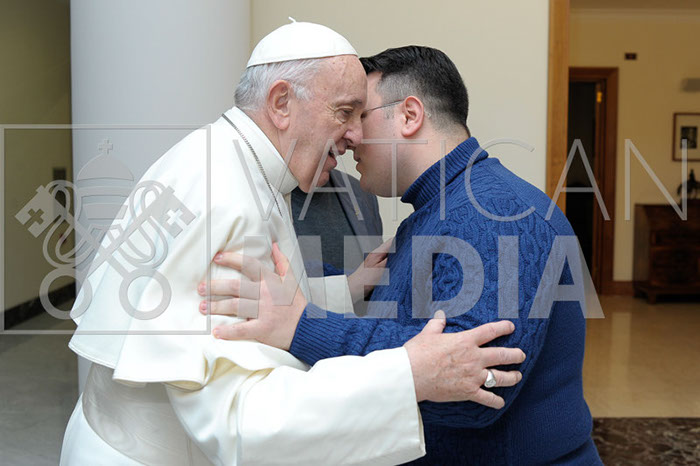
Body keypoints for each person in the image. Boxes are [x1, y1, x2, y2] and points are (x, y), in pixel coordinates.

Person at [60, 23, 526, 466]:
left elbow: (244, 303)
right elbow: (240, 423)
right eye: (344, 112)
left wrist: (348, 288)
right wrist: (408, 375)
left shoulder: (225, 157)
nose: (355, 135)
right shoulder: (227, 201)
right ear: (281, 102)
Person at [205, 46, 602, 464]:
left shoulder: (496, 214)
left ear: (410, 116)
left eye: (360, 115)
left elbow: (471, 393)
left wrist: (303, 327)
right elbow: (417, 341)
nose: (348, 136)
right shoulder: (444, 209)